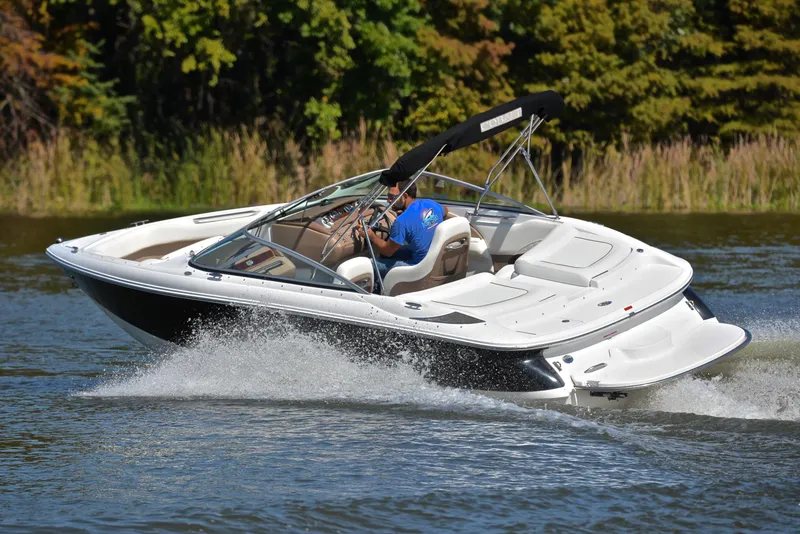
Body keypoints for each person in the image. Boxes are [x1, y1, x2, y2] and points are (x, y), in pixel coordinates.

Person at [357, 180, 448, 280]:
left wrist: (371, 236)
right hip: (436, 258)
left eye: (392, 197)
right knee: (384, 254)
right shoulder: (430, 203)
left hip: (419, 269)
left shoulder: (402, 221)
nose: (388, 200)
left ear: (404, 196)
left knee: (369, 265)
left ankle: (377, 289)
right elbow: (445, 210)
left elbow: (388, 251)